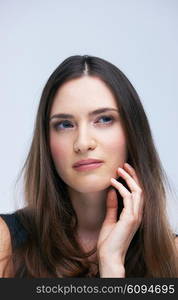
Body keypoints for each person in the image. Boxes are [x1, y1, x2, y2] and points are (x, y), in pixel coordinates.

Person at [0, 55, 177, 278]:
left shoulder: (173, 256)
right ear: (46, 141)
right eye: (65, 124)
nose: (83, 143)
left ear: (133, 132)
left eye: (103, 119)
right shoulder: (5, 242)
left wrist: (111, 265)